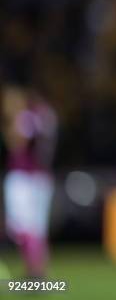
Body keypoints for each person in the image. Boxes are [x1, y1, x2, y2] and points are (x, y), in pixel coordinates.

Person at [2, 86, 57, 278]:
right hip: (40, 178)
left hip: (25, 178)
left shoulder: (24, 118)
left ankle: (35, 272)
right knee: (36, 229)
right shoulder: (42, 116)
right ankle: (38, 272)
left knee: (22, 226)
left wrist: (10, 126)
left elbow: (18, 143)